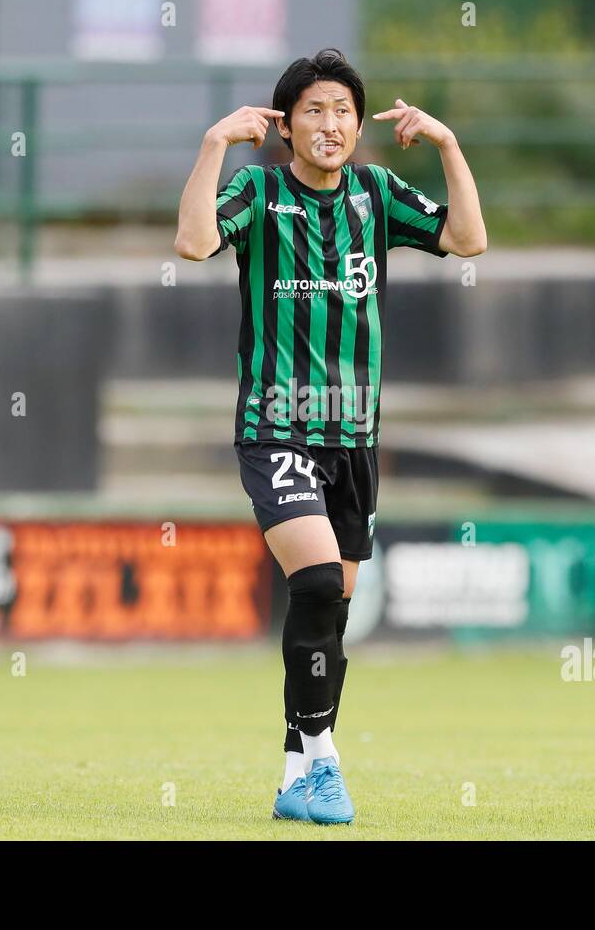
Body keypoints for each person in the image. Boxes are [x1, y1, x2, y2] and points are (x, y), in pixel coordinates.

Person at [174, 48, 486, 824]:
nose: (331, 124)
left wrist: (448, 146)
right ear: (285, 125)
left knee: (329, 615)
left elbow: (469, 241)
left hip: (354, 442)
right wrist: (214, 145)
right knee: (314, 584)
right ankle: (328, 764)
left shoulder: (377, 194)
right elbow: (193, 243)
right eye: (314, 109)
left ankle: (291, 777)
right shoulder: (259, 190)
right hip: (275, 430)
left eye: (343, 110)